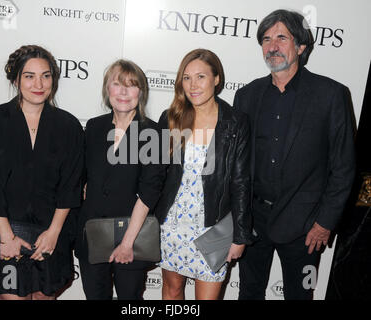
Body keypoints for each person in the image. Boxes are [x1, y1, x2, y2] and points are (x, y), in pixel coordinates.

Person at [233, 9, 356, 300]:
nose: (272, 46)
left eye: (281, 38)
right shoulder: (246, 96)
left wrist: (325, 223)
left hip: (306, 227)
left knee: (300, 296)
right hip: (253, 222)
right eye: (266, 39)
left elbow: (343, 167)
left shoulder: (331, 95)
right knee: (249, 292)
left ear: (300, 46)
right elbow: (236, 164)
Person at [0, 45, 84, 300]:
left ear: (53, 79)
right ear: (16, 80)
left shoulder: (68, 126)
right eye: (29, 76)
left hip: (49, 238)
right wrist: (7, 237)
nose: (38, 83)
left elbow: (70, 186)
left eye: (46, 75)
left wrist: (53, 233)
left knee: (42, 297)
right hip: (4, 239)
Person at [154, 48, 254, 300]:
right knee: (172, 290)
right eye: (186, 78)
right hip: (172, 224)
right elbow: (155, 175)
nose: (193, 85)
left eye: (200, 77)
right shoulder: (171, 118)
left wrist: (240, 235)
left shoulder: (235, 122)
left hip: (214, 225)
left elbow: (241, 182)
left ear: (216, 78)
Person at [74, 59, 165, 300]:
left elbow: (150, 192)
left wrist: (127, 243)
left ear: (141, 92)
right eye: (117, 84)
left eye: (131, 85)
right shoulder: (94, 127)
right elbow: (82, 178)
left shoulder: (153, 133)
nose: (123, 92)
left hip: (132, 237)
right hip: (92, 233)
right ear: (107, 90)